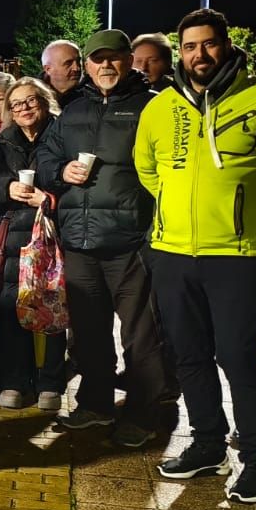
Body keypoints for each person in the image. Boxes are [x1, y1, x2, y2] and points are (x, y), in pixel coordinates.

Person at [134, 8, 256, 502]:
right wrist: (173, 213)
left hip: (237, 253)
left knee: (238, 355)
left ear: (226, 46)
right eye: (189, 46)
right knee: (189, 355)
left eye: (208, 44)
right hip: (172, 252)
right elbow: (148, 168)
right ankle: (207, 441)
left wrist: (246, 217)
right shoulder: (161, 107)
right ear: (179, 51)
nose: (199, 55)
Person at [35, 30, 168, 440]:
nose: (105, 66)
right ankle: (95, 404)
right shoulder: (72, 111)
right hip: (79, 242)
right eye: (97, 59)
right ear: (88, 66)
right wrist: (60, 172)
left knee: (140, 337)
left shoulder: (152, 107)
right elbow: (44, 159)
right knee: (90, 334)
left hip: (131, 242)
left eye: (113, 58)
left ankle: (143, 415)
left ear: (129, 60)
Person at [0, 78, 66, 410]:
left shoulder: (61, 140)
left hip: (52, 238)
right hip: (13, 239)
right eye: (16, 104)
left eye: (31, 101)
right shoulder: (1, 146)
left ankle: (51, 383)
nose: (24, 109)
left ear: (45, 102)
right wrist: (6, 189)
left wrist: (51, 199)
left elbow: (75, 187)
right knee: (13, 307)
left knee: (52, 308)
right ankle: (15, 379)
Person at [41, 40, 85, 107]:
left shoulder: (91, 95)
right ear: (48, 69)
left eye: (78, 61)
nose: (77, 68)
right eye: (68, 63)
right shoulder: (33, 97)